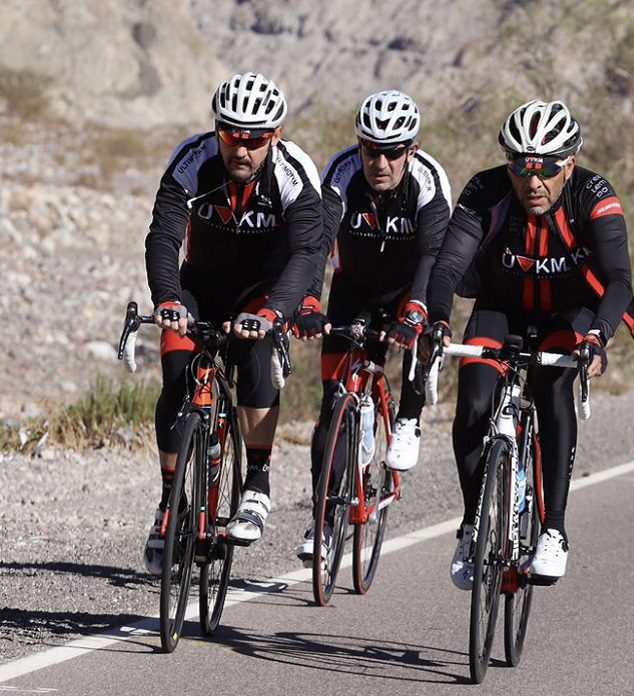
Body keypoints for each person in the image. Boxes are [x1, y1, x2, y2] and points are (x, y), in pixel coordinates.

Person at [423, 99, 634, 587]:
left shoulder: (593, 194)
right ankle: (472, 524)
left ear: (569, 165)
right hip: (502, 308)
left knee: (554, 389)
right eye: (520, 166)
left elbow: (620, 279)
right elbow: (449, 265)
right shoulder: (485, 190)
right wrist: (438, 320)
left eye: (545, 169)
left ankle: (555, 530)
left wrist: (597, 340)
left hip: (571, 314)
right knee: (474, 403)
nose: (532, 181)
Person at [142, 72, 324, 573]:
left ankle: (258, 481)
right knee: (177, 375)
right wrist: (167, 298)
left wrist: (273, 313)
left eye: (254, 140)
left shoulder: (293, 173)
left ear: (275, 136)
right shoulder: (192, 160)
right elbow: (163, 236)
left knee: (255, 354)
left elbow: (309, 251)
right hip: (200, 286)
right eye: (230, 135)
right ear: (217, 129)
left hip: (263, 290)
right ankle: (168, 503)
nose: (240, 150)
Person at [292, 89, 452, 563]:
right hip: (354, 288)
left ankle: (408, 418)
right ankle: (322, 525)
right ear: (359, 145)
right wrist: (305, 301)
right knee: (331, 404)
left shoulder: (429, 180)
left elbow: (433, 257)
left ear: (412, 150)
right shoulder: (341, 173)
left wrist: (417, 312)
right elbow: (317, 243)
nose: (379, 161)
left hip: (409, 287)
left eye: (393, 151)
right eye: (370, 149)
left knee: (425, 329)